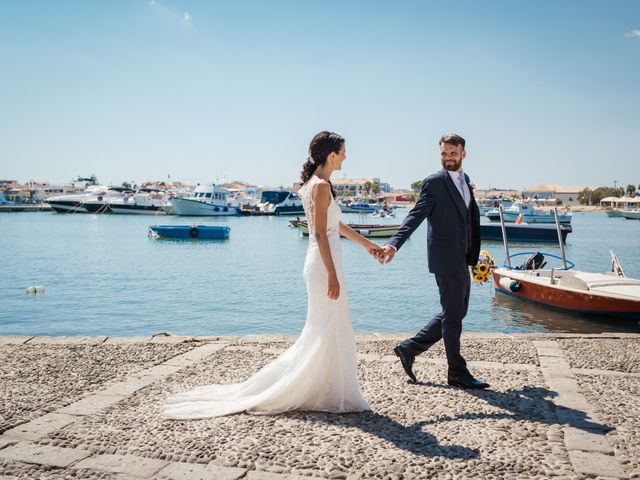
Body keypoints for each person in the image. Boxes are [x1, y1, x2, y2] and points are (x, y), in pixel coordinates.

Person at [165, 131, 382, 419]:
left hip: (325, 261)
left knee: (329, 326)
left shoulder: (319, 185)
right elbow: (318, 233)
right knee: (324, 326)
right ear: (332, 155)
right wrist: (332, 274)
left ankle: (329, 388)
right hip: (323, 264)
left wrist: (369, 245)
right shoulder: (318, 187)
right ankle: (314, 389)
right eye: (343, 152)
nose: (345, 157)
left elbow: (336, 225)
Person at [376, 133, 489, 390]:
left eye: (452, 153)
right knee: (453, 316)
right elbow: (416, 215)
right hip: (445, 258)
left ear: (463, 154)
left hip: (462, 257)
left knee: (456, 312)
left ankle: (409, 348)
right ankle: (456, 372)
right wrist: (394, 243)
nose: (448, 158)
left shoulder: (465, 180)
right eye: (444, 153)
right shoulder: (434, 183)